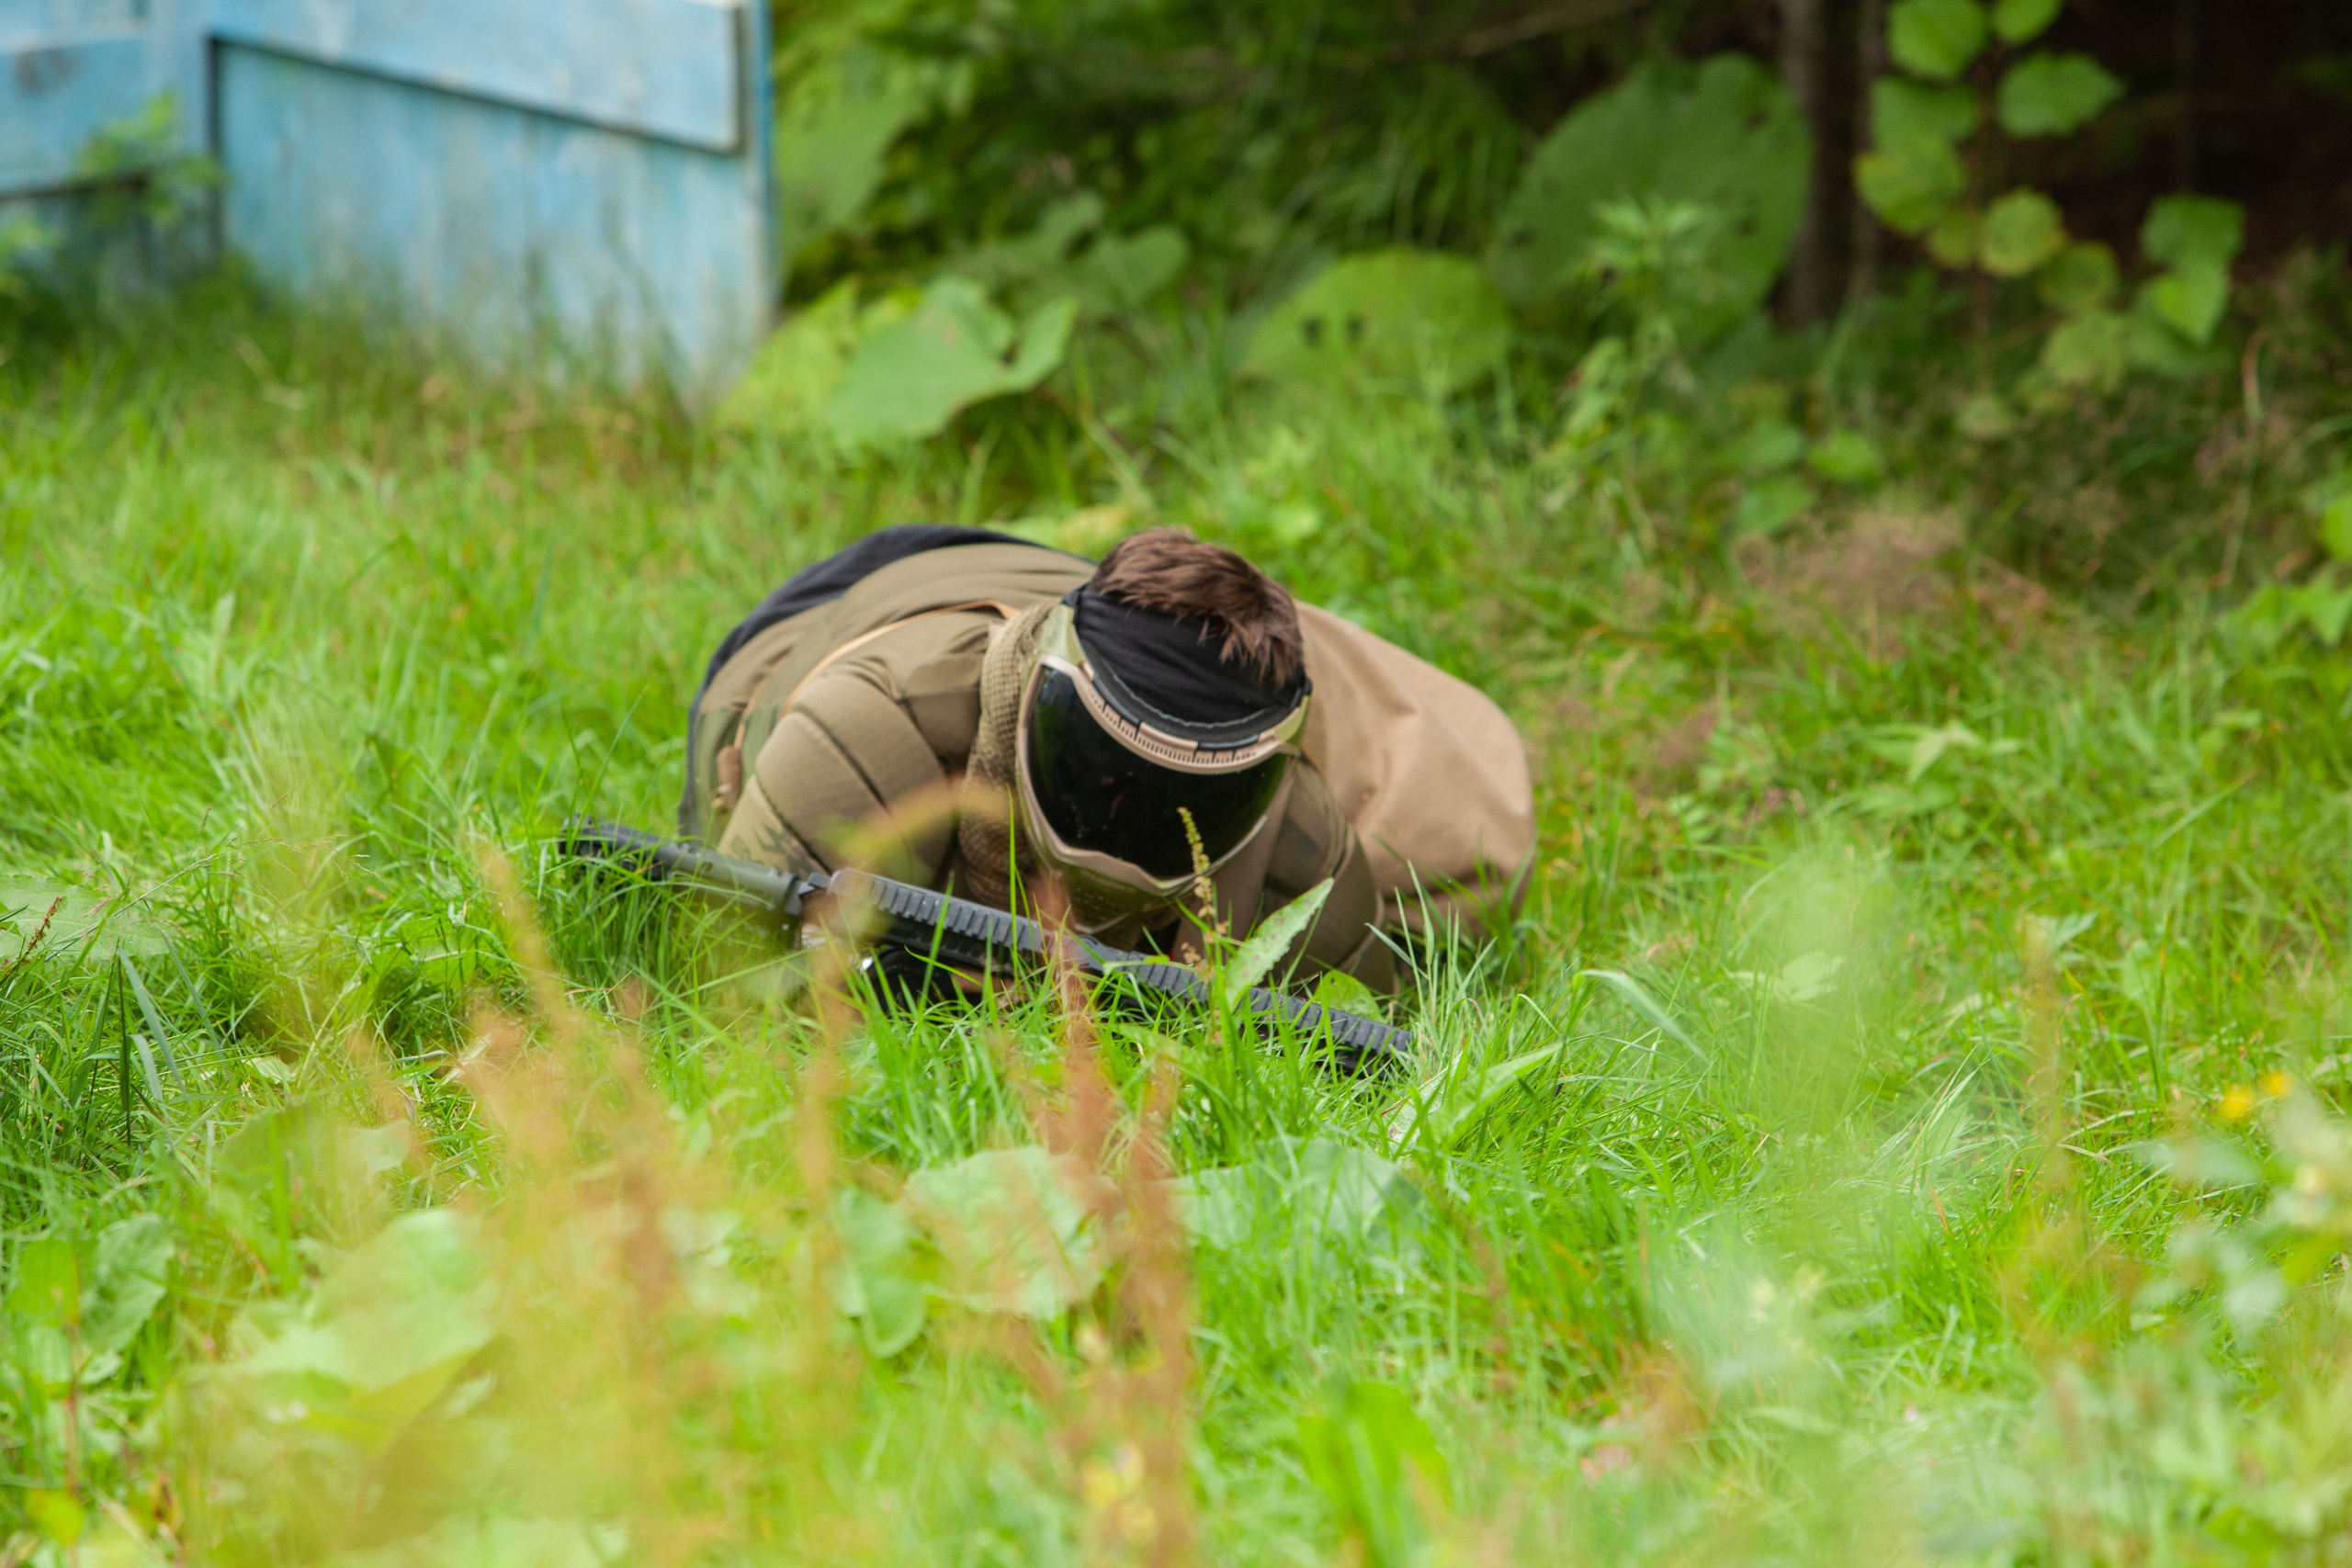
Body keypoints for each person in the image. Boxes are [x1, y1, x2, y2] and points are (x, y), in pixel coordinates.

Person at [680, 525, 1533, 991]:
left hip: (1087, 593)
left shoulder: (1298, 849)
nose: (1126, 823)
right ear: (1039, 691)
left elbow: (1356, 1078)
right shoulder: (874, 728)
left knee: (1467, 837)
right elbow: (721, 997)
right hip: (840, 608)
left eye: (1185, 805)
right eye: (1101, 771)